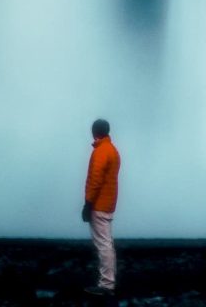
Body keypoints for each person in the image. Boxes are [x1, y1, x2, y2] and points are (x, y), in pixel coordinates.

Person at [81, 118, 120, 296]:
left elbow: (95, 180)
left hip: (99, 204)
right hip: (108, 202)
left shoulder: (101, 152)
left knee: (103, 244)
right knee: (106, 243)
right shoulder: (112, 150)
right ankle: (107, 282)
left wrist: (88, 204)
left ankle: (106, 285)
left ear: (95, 131)